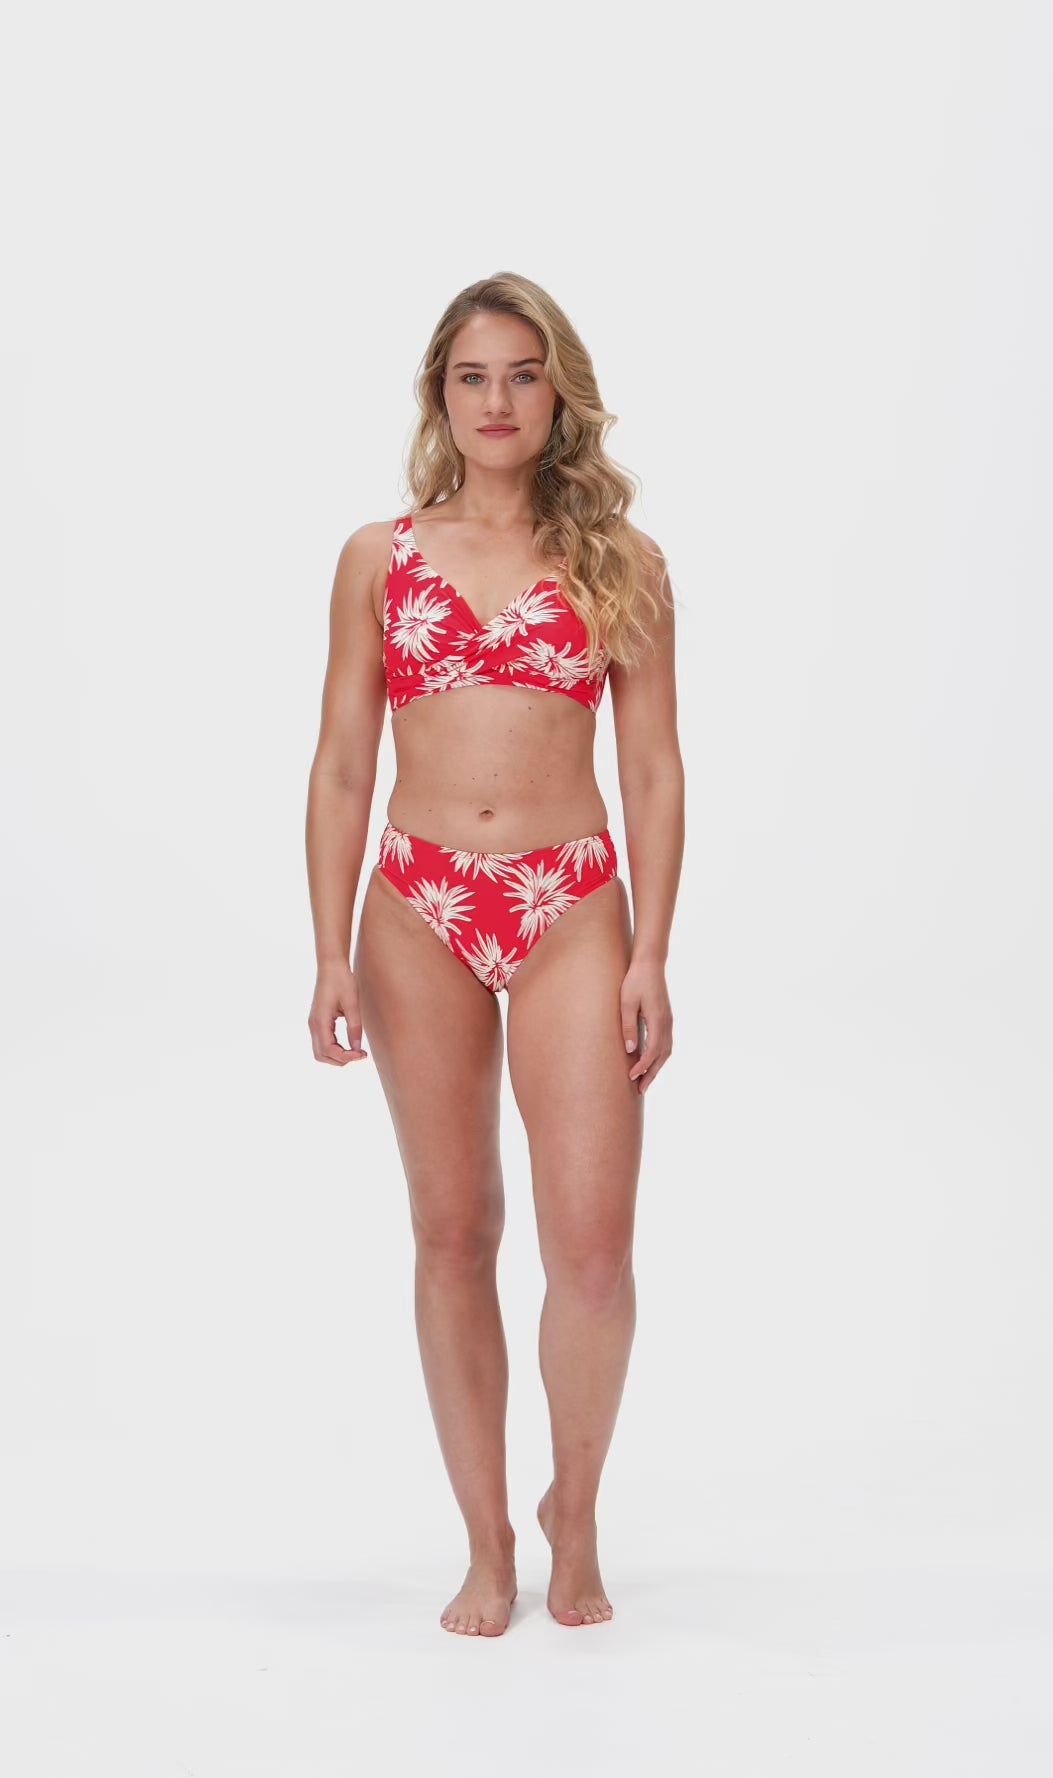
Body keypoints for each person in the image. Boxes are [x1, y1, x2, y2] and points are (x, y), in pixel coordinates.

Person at [306, 271, 683, 1636]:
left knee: (592, 1247)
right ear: (441, 397)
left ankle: (574, 1507)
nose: (498, 400)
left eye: (523, 374)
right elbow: (343, 763)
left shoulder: (621, 563)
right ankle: (486, 1541)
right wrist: (329, 950)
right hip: (417, 906)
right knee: (454, 1230)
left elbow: (654, 769)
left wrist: (652, 953)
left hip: (570, 900)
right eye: (472, 377)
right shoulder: (380, 556)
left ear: (557, 392)